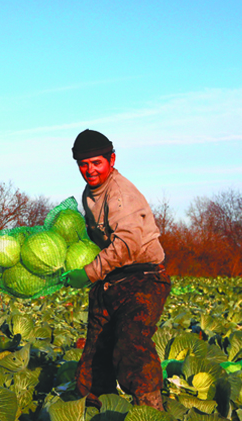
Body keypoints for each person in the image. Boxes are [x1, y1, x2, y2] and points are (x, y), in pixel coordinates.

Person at [64, 129, 171, 411]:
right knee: (94, 358)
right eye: (83, 165)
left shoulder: (120, 193)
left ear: (111, 159)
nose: (90, 170)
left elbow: (127, 244)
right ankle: (98, 410)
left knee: (132, 345)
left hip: (142, 278)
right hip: (110, 281)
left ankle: (150, 411)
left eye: (96, 163)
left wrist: (87, 273)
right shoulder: (90, 193)